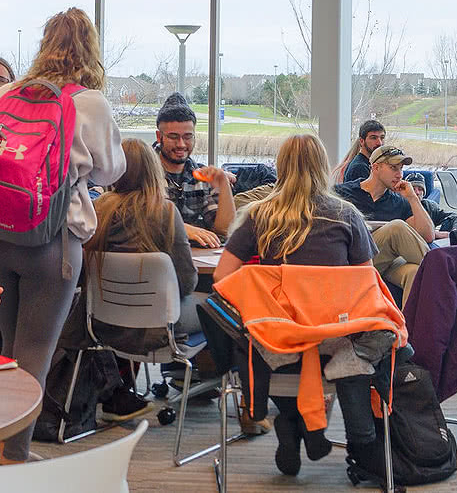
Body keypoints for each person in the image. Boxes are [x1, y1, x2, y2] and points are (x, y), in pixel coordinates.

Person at [0, 7, 126, 465]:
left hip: (4, 233)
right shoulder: (87, 102)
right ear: (90, 48)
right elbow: (113, 169)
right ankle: (14, 457)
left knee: (6, 349)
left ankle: (2, 446)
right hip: (52, 242)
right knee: (35, 350)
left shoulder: (8, 93)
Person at [213, 134, 382, 474]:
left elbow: (222, 278)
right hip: (334, 341)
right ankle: (343, 437)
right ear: (323, 168)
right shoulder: (347, 215)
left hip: (277, 342)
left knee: (265, 343)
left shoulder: (260, 215)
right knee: (366, 347)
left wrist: (260, 292)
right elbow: (367, 285)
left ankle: (291, 421)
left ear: (281, 167)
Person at [84, 139, 198, 422]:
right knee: (220, 308)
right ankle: (218, 387)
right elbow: (186, 282)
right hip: (159, 329)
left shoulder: (96, 211)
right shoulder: (165, 212)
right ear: (153, 171)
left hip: (103, 327)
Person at [335, 146, 433, 306]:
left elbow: (428, 235)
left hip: (385, 262)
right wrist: (382, 226)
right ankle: (441, 271)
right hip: (353, 257)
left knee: (414, 272)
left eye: (401, 169)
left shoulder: (398, 201)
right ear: (376, 167)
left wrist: (413, 198)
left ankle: (406, 329)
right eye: (393, 168)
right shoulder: (345, 192)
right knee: (396, 227)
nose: (399, 174)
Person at [155, 93, 235, 249]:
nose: (181, 144)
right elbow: (136, 219)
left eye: (188, 136)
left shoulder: (201, 175)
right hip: (152, 259)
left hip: (193, 261)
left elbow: (224, 230)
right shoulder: (142, 169)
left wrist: (223, 185)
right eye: (173, 137)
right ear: (159, 137)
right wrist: (181, 228)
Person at [403, 172, 457, 240]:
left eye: (420, 189)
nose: (417, 192)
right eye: (413, 189)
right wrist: (435, 234)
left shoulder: (430, 206)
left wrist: (454, 232)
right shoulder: (400, 207)